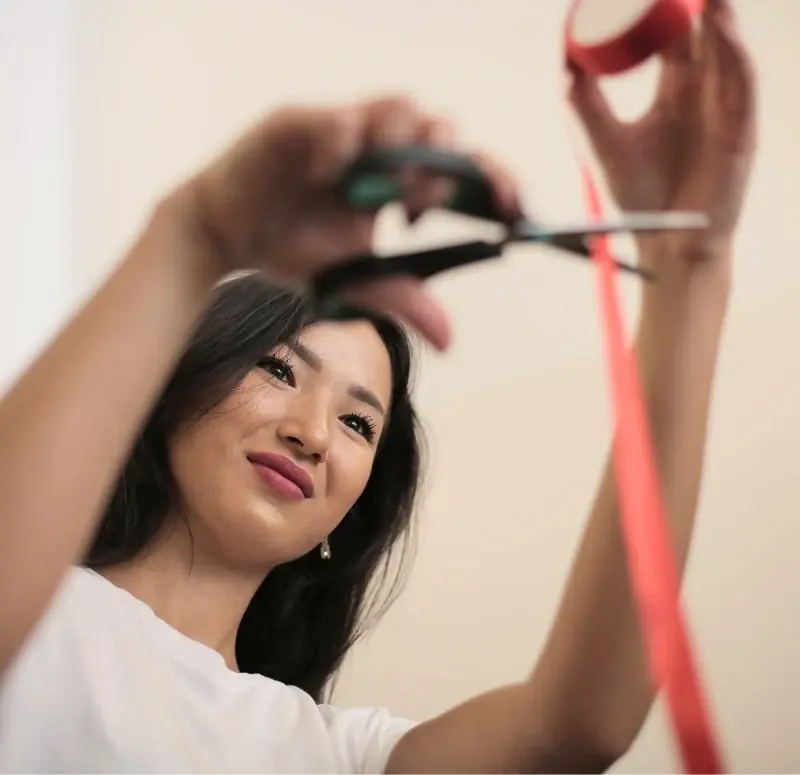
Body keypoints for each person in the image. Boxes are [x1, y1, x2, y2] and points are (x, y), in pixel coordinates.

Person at [0, 1, 755, 772]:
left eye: (359, 424)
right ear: (177, 388)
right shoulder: (44, 614)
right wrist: (197, 231)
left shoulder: (338, 752)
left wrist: (691, 270)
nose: (313, 433)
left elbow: (578, 725)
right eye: (279, 367)